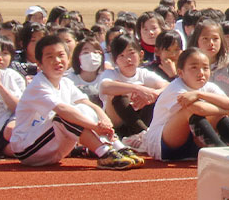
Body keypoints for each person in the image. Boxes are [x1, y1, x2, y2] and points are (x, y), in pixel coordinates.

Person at [9, 35, 140, 169]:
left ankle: (118, 147)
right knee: (65, 116)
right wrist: (96, 127)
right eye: (50, 57)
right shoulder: (38, 86)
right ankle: (105, 153)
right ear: (39, 64)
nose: (57, 60)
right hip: (28, 148)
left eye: (61, 55)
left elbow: (87, 104)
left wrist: (103, 118)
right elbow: (63, 111)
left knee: (85, 108)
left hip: (54, 147)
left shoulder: (65, 82)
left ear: (68, 58)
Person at [142, 48, 229, 161]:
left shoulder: (209, 87)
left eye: (205, 68)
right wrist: (224, 111)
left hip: (192, 143)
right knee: (190, 111)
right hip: (163, 145)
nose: (201, 73)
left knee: (215, 114)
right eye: (194, 67)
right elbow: (198, 109)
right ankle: (221, 153)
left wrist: (199, 94)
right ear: (180, 73)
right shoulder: (176, 88)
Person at [98, 35, 168, 144]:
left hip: (143, 119)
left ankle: (144, 133)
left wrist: (153, 94)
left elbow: (167, 86)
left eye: (131, 53)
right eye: (121, 55)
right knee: (117, 94)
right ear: (115, 60)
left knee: (155, 93)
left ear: (141, 55)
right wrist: (137, 89)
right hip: (118, 125)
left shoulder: (143, 73)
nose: (128, 59)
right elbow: (105, 87)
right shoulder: (111, 74)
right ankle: (144, 133)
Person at [187, 19, 229, 101]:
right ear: (197, 40)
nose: (211, 43)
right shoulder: (188, 65)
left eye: (215, 38)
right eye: (205, 38)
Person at [66, 38, 107, 106]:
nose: (91, 56)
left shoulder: (105, 78)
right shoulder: (69, 80)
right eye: (86, 52)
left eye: (96, 52)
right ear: (77, 57)